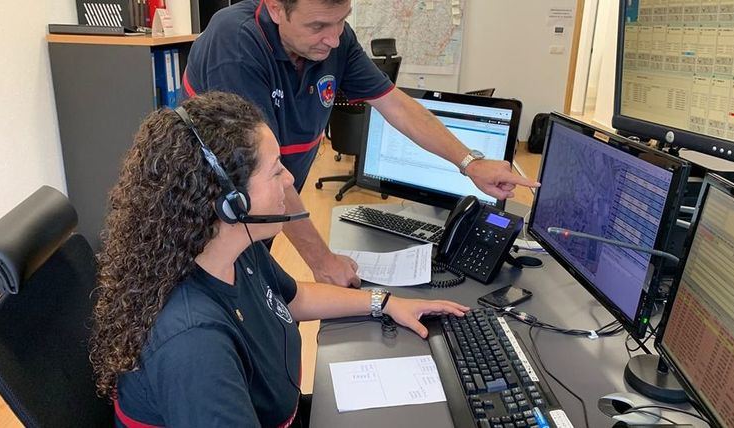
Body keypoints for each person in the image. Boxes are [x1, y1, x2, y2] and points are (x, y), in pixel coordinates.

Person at [89, 92, 469, 427]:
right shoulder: (193, 343)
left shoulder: (234, 248)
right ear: (230, 203)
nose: (290, 180)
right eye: (275, 171)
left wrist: (384, 302)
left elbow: (290, 299)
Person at [184, 0, 540, 288]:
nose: (334, 39)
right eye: (318, 26)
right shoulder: (235, 44)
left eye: (341, 20)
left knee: (251, 304)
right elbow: (262, 171)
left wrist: (470, 163)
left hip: (264, 213)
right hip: (204, 219)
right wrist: (321, 262)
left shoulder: (336, 42)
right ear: (276, 9)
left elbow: (396, 105)